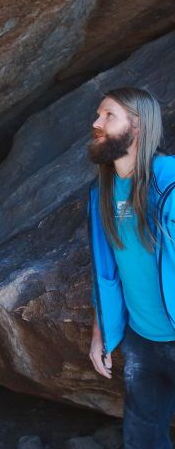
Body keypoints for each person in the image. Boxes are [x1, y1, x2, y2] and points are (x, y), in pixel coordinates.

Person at [87, 87, 175, 448]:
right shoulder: (103, 192)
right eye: (98, 114)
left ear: (136, 128)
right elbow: (105, 270)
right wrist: (100, 333)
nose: (96, 123)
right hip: (142, 339)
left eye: (109, 116)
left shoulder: (169, 182)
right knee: (143, 437)